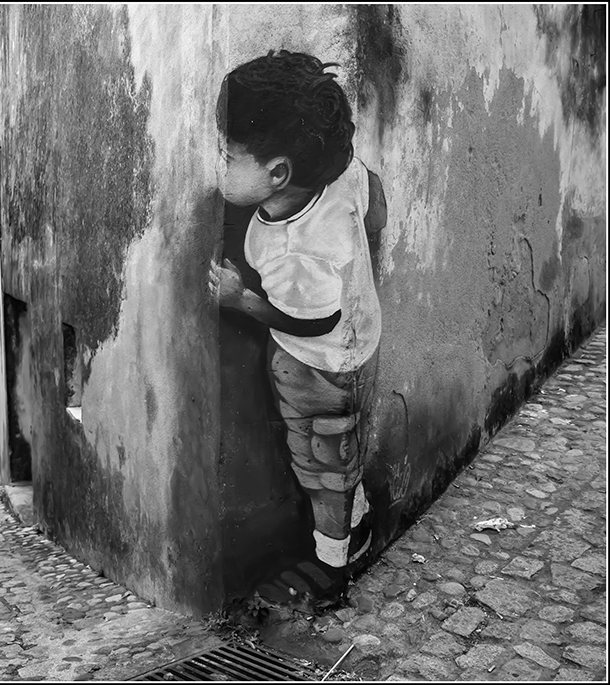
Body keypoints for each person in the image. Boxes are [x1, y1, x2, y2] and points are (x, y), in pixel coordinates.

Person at [209, 50, 387, 604]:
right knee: (340, 451)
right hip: (353, 343)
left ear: (278, 173)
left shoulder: (294, 252)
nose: (216, 162)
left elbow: (309, 320)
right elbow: (375, 199)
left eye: (226, 155)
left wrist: (241, 299)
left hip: (321, 364)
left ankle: (332, 565)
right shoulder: (343, 176)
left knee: (321, 465)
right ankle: (357, 525)